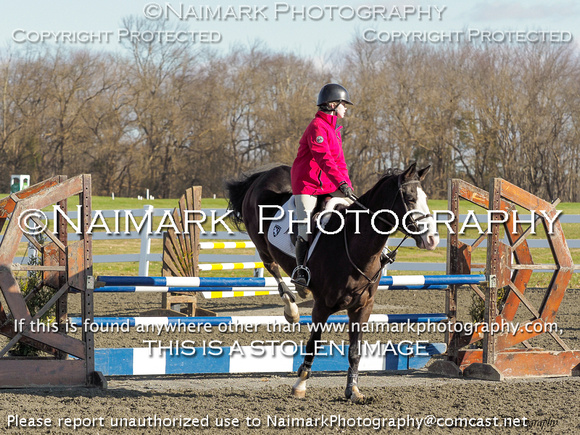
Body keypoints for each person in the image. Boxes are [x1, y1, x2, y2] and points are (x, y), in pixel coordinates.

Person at [290, 83, 355, 290]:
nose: (345, 108)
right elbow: (324, 158)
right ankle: (301, 271)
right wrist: (340, 183)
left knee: (356, 210)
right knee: (305, 225)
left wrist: (348, 187)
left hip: (327, 183)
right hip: (307, 184)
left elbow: (340, 162)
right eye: (343, 104)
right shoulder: (317, 127)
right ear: (332, 104)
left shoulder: (334, 129)